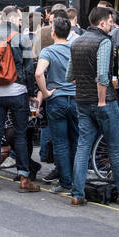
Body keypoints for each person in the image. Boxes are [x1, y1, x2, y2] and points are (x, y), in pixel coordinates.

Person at [68, 5, 119, 206]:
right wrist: (102, 100)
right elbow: (102, 75)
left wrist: (85, 87)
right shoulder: (104, 41)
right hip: (104, 102)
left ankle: (77, 193)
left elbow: (70, 76)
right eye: (110, 21)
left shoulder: (76, 42)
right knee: (115, 147)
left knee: (83, 146)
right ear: (102, 22)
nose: (112, 25)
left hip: (82, 101)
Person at [0, 5, 39, 192]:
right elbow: (29, 68)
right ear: (14, 19)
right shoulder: (22, 39)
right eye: (19, 19)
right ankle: (24, 179)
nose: (19, 22)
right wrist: (32, 93)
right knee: (21, 135)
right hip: (17, 91)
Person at [36, 15, 78, 194]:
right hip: (76, 100)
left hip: (57, 100)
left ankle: (66, 183)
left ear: (53, 33)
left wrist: (45, 93)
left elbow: (39, 74)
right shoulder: (75, 49)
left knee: (60, 143)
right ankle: (77, 181)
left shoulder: (48, 51)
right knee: (76, 142)